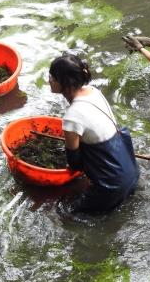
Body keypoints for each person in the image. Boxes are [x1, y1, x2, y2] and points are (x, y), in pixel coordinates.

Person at [49, 54, 139, 213]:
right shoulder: (93, 91)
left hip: (111, 187)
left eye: (52, 77)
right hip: (131, 172)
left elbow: (75, 164)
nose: (49, 80)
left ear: (65, 82)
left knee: (66, 214)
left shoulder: (72, 117)